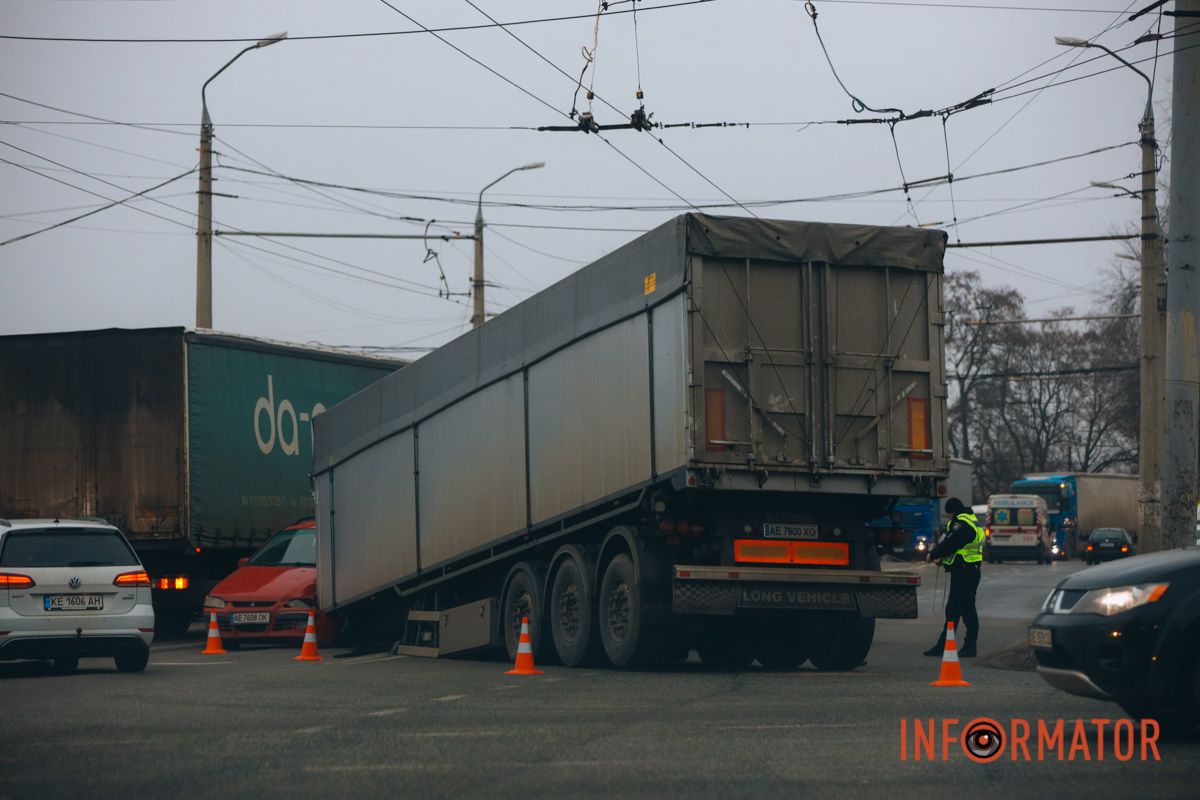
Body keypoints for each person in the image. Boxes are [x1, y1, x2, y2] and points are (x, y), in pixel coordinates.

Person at [923, 497, 984, 658]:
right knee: (955, 610)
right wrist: (943, 559)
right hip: (968, 571)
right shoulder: (972, 521)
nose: (949, 518)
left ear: (952, 511)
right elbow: (959, 547)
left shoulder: (961, 523)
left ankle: (968, 647)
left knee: (965, 609)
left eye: (949, 514)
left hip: (964, 572)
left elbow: (951, 543)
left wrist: (934, 554)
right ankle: (944, 645)